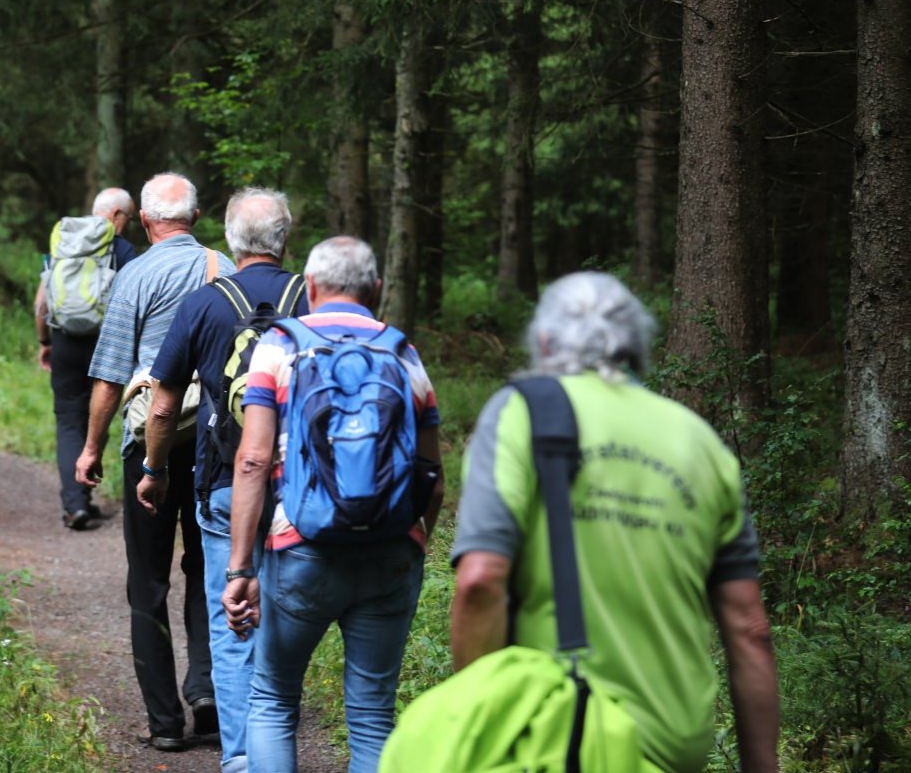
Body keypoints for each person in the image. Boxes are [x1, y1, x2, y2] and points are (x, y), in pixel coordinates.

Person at [450, 272, 778, 773]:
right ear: (637, 346)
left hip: (554, 739)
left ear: (542, 341)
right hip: (676, 747)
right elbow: (749, 627)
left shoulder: (521, 413)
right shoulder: (701, 441)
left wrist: (474, 725)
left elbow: (480, 580)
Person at [222, 236, 445, 773]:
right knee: (372, 715)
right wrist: (416, 545)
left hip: (300, 546)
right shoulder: (402, 352)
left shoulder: (278, 346)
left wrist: (240, 568)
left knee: (274, 700)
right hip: (390, 551)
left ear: (312, 287)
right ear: (376, 289)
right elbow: (431, 475)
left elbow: (252, 461)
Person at [141, 187, 308, 773]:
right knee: (288, 615)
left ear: (231, 241)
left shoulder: (203, 304)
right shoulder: (310, 299)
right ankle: (279, 744)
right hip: (302, 491)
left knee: (231, 615)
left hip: (223, 481)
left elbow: (162, 407)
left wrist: (154, 470)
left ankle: (243, 760)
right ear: (285, 237)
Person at [74, 172, 232, 751]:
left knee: (147, 581)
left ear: (144, 221)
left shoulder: (135, 275)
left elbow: (111, 374)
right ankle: (208, 687)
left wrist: (90, 447)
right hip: (216, 446)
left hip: (151, 446)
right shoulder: (227, 270)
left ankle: (165, 724)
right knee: (206, 567)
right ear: (197, 216)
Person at [35, 187, 137, 530]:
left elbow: (41, 303)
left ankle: (75, 504)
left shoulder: (63, 241)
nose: (129, 225)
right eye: (130, 218)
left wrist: (44, 340)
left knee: (68, 423)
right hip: (106, 345)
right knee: (100, 417)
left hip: (65, 342)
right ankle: (83, 495)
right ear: (116, 216)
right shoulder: (123, 251)